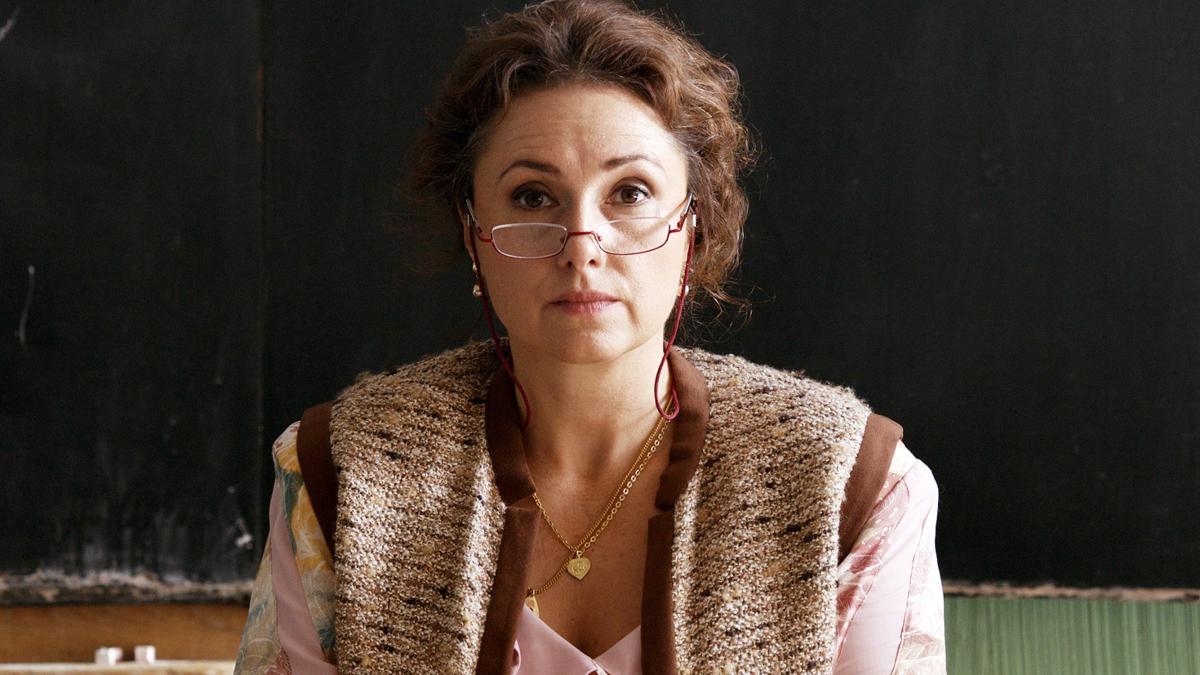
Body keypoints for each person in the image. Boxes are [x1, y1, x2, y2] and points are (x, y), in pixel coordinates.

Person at [235, 1, 945, 673]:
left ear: (693, 224)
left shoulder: (856, 483)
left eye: (630, 193)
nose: (582, 244)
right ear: (472, 231)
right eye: (533, 196)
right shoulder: (338, 474)